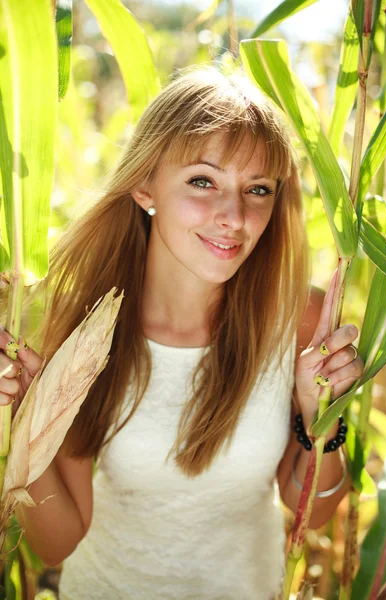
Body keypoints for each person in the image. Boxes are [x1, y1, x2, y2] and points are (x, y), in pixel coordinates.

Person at [0, 66, 363, 600]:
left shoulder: (300, 321)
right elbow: (58, 545)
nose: (234, 217)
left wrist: (320, 417)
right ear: (146, 186)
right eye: (203, 181)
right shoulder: (86, 326)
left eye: (257, 189)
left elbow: (315, 510)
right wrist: (20, 424)